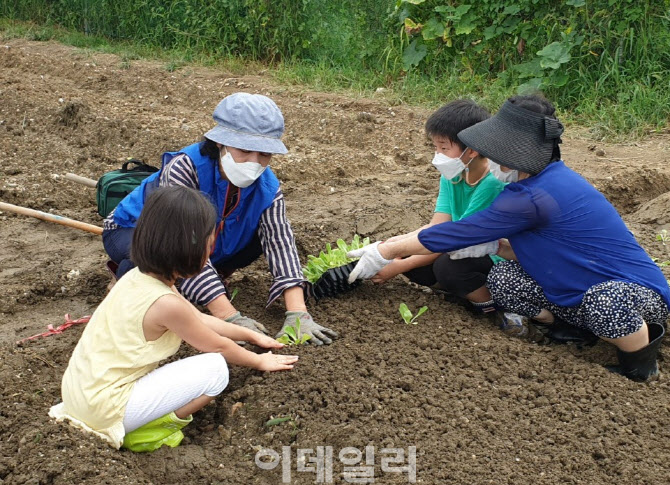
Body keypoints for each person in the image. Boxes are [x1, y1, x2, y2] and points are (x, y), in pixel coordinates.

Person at [347, 94, 669, 381]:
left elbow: (455, 232)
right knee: (503, 276)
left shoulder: (534, 197)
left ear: (517, 154)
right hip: (572, 292)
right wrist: (497, 246)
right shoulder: (532, 186)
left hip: (637, 297)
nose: (495, 161)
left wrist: (385, 250)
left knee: (605, 300)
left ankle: (639, 363)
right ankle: (571, 328)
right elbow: (545, 253)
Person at [50, 186, 299, 451]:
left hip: (79, 394)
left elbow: (198, 319)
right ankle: (146, 432)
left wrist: (250, 335)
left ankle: (133, 421)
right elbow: (217, 346)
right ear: (188, 249)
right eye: (209, 243)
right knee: (215, 370)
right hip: (104, 409)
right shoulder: (166, 304)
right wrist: (260, 360)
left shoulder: (138, 278)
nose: (211, 251)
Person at [101, 92, 336, 345]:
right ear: (220, 144)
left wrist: (298, 314)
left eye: (264, 155)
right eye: (245, 150)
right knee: (154, 270)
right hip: (136, 232)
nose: (254, 163)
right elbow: (182, 242)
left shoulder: (267, 186)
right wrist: (229, 317)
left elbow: (281, 243)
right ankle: (128, 278)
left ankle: (197, 283)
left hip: (210, 241)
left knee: (263, 233)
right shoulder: (185, 168)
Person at [371, 100, 514, 321]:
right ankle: (462, 294)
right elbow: (438, 226)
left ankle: (493, 309)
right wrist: (391, 246)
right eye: (435, 147)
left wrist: (397, 267)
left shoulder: (492, 183)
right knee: (408, 251)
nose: (438, 155)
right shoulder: (453, 175)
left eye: (444, 147)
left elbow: (457, 237)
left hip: (490, 254)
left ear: (472, 150)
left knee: (447, 268)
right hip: (457, 243)